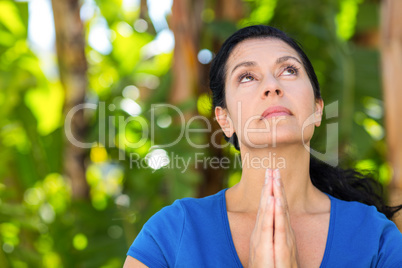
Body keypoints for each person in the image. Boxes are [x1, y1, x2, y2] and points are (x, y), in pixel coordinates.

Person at [123, 25, 402, 268]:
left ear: (318, 109)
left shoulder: (375, 237)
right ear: (225, 120)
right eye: (247, 76)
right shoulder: (172, 232)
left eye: (289, 70)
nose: (272, 86)